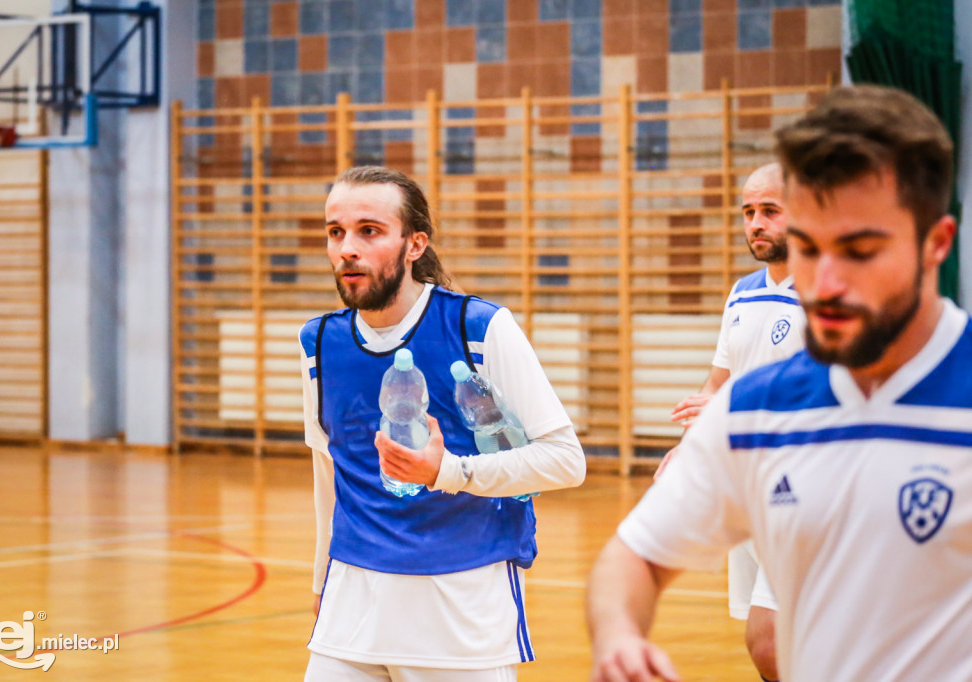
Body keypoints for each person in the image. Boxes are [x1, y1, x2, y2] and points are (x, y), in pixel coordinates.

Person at [586, 84, 969, 682]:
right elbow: (632, 557)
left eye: (860, 250)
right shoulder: (755, 410)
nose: (827, 282)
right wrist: (618, 637)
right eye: (810, 250)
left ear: (936, 244)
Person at [298, 166, 586, 681]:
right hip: (352, 603)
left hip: (460, 607)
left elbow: (566, 461)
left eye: (369, 230)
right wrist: (322, 578)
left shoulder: (479, 328)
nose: (347, 249)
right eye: (335, 232)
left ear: (414, 245)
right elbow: (329, 470)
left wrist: (447, 472)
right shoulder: (318, 341)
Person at [661, 162, 804, 681]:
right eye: (748, 212)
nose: (755, 224)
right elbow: (718, 383)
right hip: (744, 482)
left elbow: (836, 398)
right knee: (769, 642)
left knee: (768, 638)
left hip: (804, 483)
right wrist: (691, 445)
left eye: (770, 210)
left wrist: (729, 413)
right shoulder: (743, 292)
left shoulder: (833, 294)